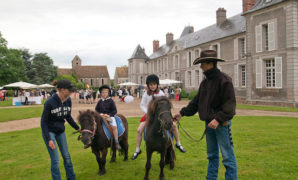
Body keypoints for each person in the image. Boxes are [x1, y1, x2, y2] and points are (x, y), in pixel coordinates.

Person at [174, 50, 237, 180]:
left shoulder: (224, 81)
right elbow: (196, 103)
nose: (201, 66)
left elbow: (229, 107)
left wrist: (218, 119)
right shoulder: (205, 83)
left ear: (210, 64)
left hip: (221, 125)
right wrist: (181, 113)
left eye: (202, 63)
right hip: (209, 125)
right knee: (212, 156)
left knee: (227, 157)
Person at [131, 74, 186, 160]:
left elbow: (165, 105)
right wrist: (148, 112)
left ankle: (178, 143)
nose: (152, 86)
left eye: (154, 84)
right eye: (150, 85)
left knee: (174, 126)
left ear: (157, 84)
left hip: (160, 116)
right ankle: (137, 149)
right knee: (139, 130)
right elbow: (142, 105)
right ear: (148, 85)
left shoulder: (161, 93)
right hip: (149, 116)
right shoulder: (146, 94)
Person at [41, 79, 81, 180]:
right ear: (62, 90)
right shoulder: (49, 103)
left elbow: (68, 116)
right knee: (55, 160)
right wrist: (49, 139)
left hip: (60, 131)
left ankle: (71, 178)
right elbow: (43, 122)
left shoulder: (68, 100)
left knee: (66, 156)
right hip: (50, 132)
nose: (72, 92)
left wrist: (78, 128)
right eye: (70, 89)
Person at [95, 85, 121, 150]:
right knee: (94, 125)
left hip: (109, 117)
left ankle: (116, 142)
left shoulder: (111, 101)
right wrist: (99, 114)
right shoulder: (100, 101)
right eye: (103, 92)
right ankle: (92, 141)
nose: (104, 94)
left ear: (108, 93)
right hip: (101, 117)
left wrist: (108, 115)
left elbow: (115, 111)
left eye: (106, 92)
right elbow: (96, 110)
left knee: (114, 127)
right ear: (101, 93)